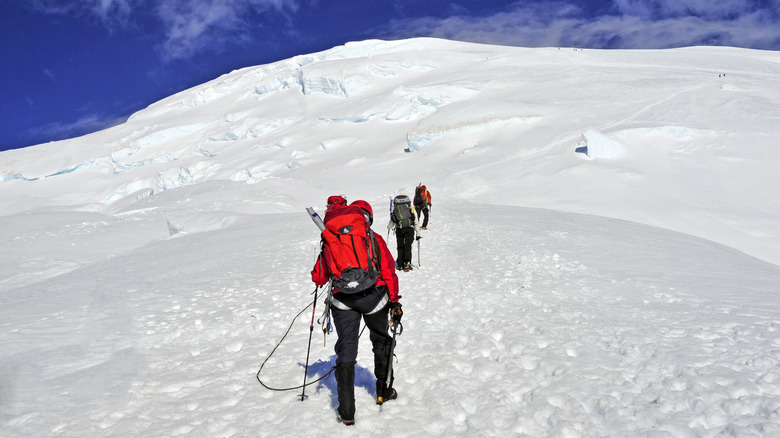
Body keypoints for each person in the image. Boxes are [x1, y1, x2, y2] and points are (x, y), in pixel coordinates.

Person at [311, 199, 403, 426]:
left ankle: (347, 412)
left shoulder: (332, 239)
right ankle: (382, 392)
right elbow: (389, 272)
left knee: (347, 348)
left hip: (342, 302)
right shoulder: (373, 238)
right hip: (374, 299)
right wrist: (394, 302)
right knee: (381, 341)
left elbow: (319, 276)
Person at [388, 194, 420, 271]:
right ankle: (407, 262)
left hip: (399, 229)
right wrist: (418, 233)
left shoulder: (396, 208)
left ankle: (400, 264)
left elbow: (393, 220)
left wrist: (389, 227)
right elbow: (415, 220)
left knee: (400, 246)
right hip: (409, 228)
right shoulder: (410, 208)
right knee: (408, 245)